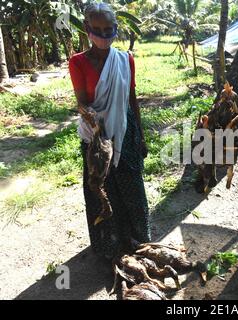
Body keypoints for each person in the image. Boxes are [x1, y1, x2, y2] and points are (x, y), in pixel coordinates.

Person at [68, 2, 150, 260]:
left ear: (116, 28)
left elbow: (131, 98)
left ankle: (137, 237)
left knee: (132, 187)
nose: (104, 36)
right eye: (98, 30)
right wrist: (95, 124)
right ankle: (110, 246)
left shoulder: (125, 59)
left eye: (109, 29)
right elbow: (82, 102)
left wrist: (141, 136)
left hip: (125, 130)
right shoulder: (78, 63)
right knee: (101, 189)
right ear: (87, 28)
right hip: (95, 136)